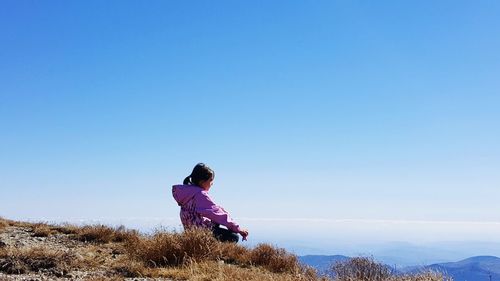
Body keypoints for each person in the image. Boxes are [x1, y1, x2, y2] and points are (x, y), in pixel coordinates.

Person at [172, 163, 249, 243]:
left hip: (191, 232)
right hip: (202, 232)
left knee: (217, 223)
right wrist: (238, 229)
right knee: (234, 237)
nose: (212, 183)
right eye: (210, 180)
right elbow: (217, 213)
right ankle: (218, 255)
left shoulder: (188, 193)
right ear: (202, 182)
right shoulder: (200, 194)